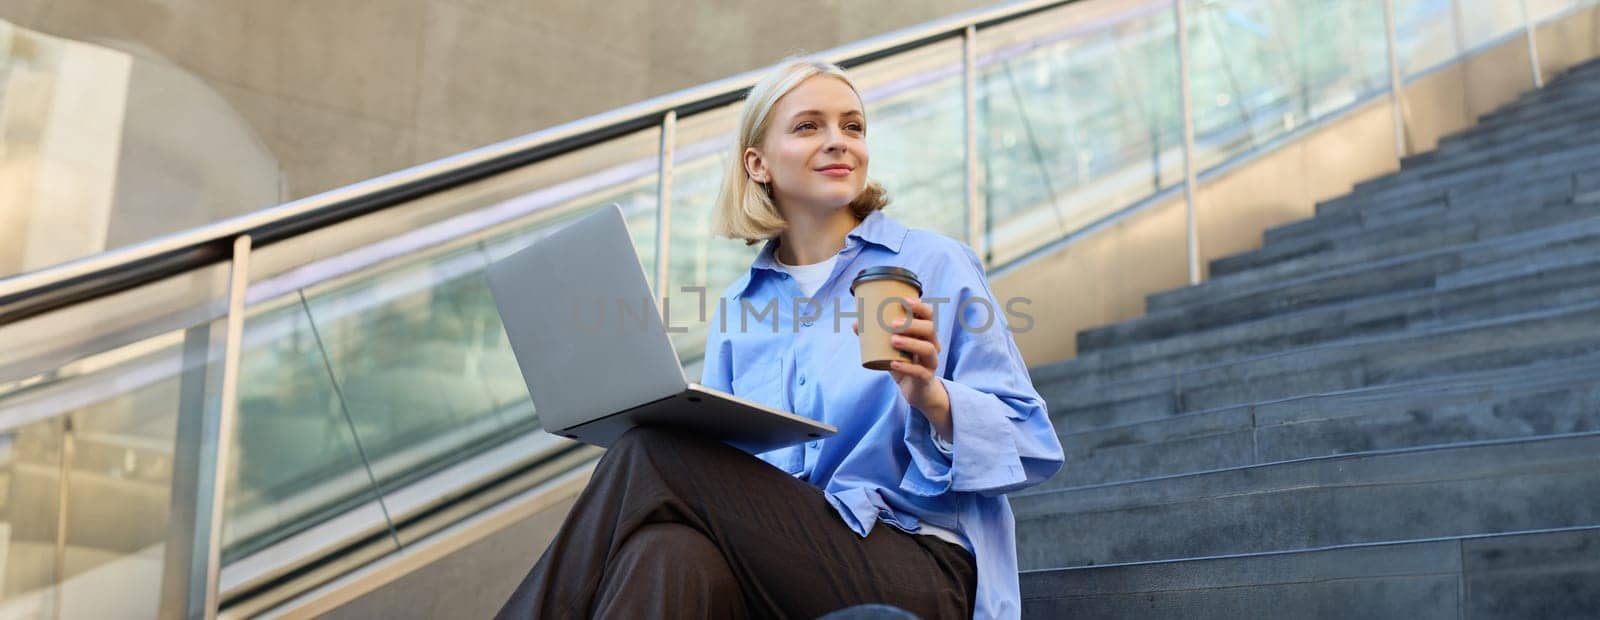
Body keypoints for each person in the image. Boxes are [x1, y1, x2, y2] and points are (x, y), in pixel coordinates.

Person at [497, 56, 1063, 620]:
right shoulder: (740, 308)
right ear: (758, 164)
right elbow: (717, 475)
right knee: (666, 552)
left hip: (917, 567)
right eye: (809, 126)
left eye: (853, 126)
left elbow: (1035, 443)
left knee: (651, 453)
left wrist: (934, 400)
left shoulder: (934, 264)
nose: (839, 141)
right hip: (776, 566)